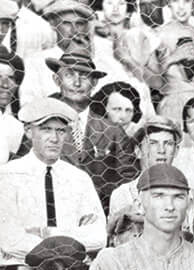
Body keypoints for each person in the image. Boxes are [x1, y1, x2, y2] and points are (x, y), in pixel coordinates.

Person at [0, 97, 105, 264]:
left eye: (61, 131)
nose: (54, 138)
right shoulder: (7, 176)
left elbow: (99, 236)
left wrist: (47, 233)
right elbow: (10, 240)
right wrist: (70, 238)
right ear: (28, 131)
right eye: (46, 129)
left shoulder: (79, 178)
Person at [49, 48, 132, 209]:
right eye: (69, 75)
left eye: (84, 76)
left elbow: (127, 180)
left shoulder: (113, 130)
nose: (77, 83)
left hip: (99, 215)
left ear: (94, 83)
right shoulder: (41, 125)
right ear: (57, 80)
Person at [108, 114, 181, 226]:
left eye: (168, 144)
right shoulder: (122, 194)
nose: (161, 150)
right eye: (153, 143)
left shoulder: (189, 194)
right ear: (137, 151)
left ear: (176, 151)